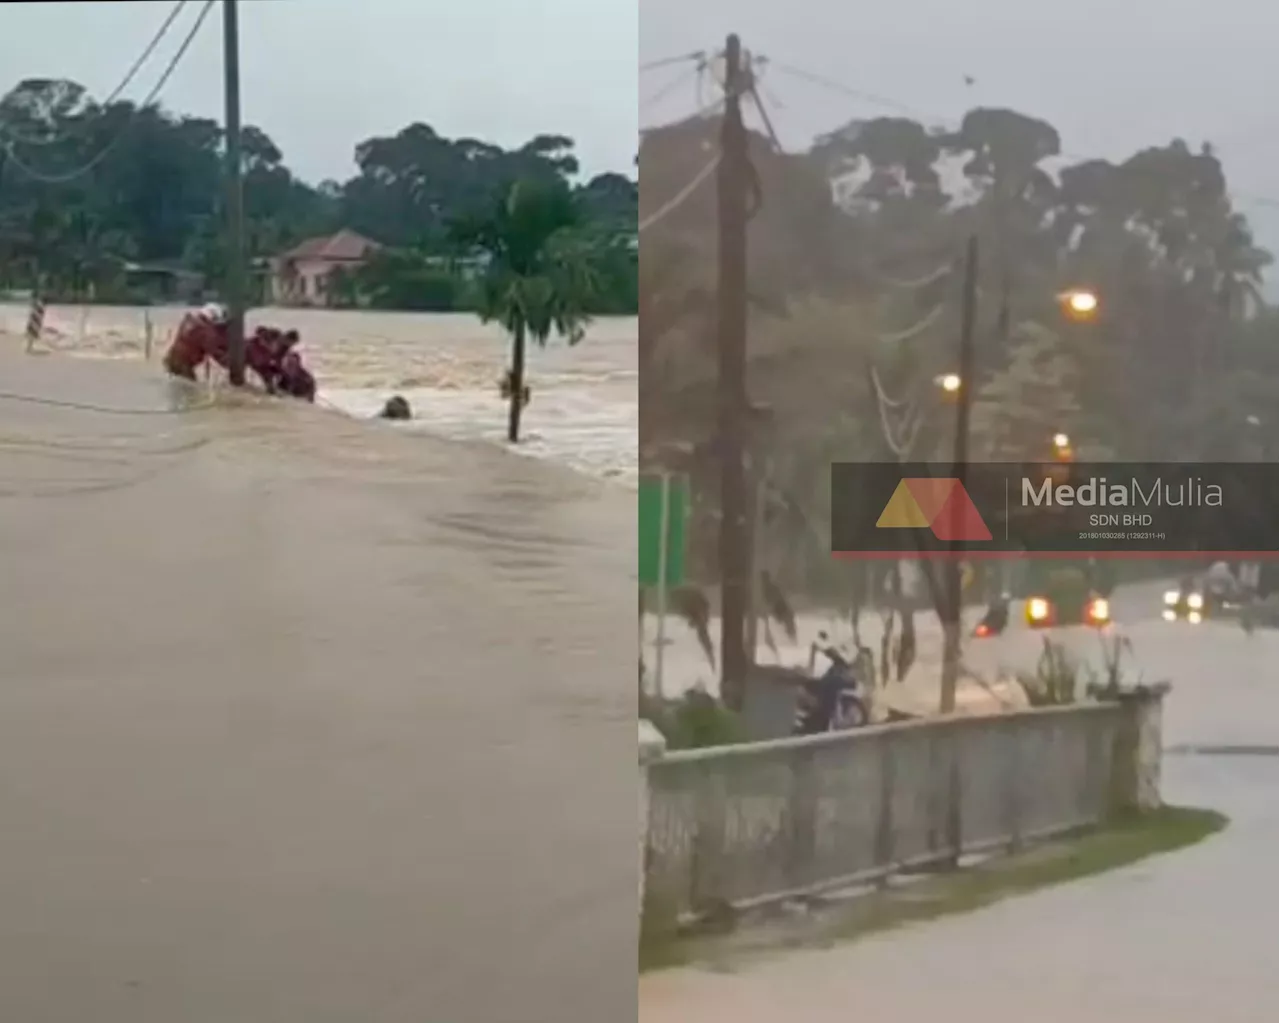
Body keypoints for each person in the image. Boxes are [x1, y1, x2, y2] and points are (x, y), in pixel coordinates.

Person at [163, 303, 227, 380]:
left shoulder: (188, 321)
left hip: (170, 358)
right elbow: (213, 350)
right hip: (184, 364)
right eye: (215, 319)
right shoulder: (204, 330)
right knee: (189, 388)